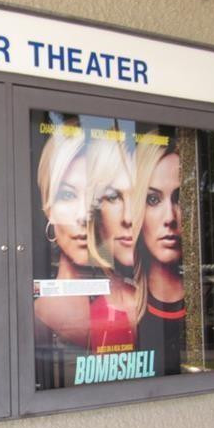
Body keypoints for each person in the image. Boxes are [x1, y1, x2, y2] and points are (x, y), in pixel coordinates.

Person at [33, 127, 91, 346]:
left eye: (95, 195)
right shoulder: (37, 315)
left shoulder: (134, 301)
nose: (84, 214)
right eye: (67, 194)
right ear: (49, 209)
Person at [133, 136, 185, 376]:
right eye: (153, 199)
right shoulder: (124, 307)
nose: (170, 217)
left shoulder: (207, 302)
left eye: (179, 198)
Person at [86, 136, 138, 352]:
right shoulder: (93, 308)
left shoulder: (162, 301)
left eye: (139, 196)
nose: (129, 217)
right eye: (113, 196)